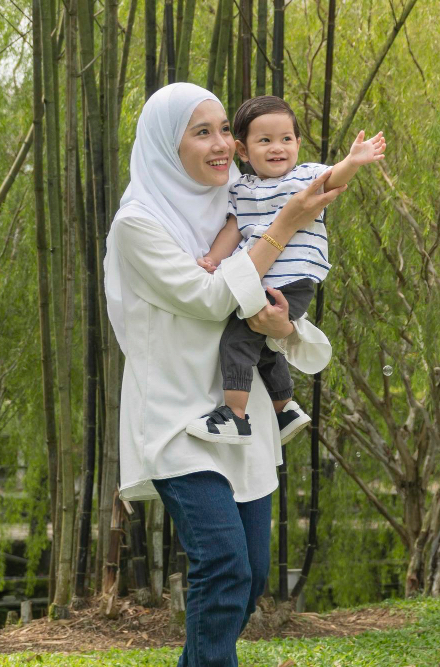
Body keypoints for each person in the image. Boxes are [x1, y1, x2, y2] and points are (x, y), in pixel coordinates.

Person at [104, 82, 345, 667]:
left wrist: (285, 327)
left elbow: (285, 329)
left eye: (224, 132)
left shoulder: (240, 201)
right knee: (224, 566)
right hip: (178, 418)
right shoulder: (138, 223)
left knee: (251, 575)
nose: (223, 146)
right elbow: (212, 297)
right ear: (166, 143)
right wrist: (286, 223)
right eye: (201, 132)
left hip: (246, 420)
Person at [186, 95, 385, 446]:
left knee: (236, 338)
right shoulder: (240, 189)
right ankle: (285, 408)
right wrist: (213, 260)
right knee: (263, 345)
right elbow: (234, 228)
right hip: (258, 280)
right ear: (243, 151)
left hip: (293, 279)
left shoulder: (304, 177)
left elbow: (333, 177)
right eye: (264, 140)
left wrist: (353, 161)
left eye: (286, 139)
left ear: (297, 143)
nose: (277, 148)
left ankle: (235, 415)